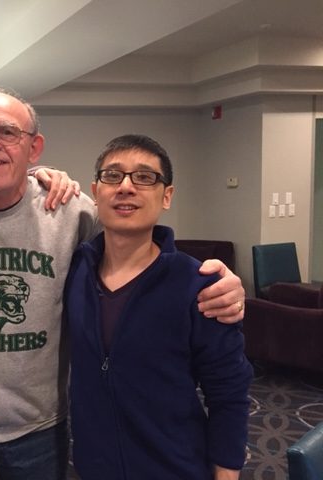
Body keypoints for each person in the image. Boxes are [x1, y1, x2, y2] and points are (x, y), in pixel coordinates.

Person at [0, 88, 247, 480]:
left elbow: (228, 387)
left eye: (7, 132)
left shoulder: (74, 214)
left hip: (42, 428)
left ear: (34, 147)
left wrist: (228, 285)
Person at [64, 134, 253, 479]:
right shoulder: (73, 271)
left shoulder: (200, 286)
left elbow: (229, 391)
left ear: (167, 196)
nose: (125, 187)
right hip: (92, 467)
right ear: (95, 191)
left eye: (144, 177)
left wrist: (227, 472)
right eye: (112, 175)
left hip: (174, 467)